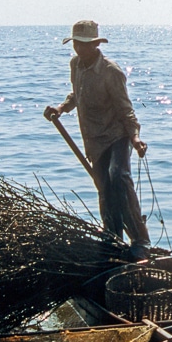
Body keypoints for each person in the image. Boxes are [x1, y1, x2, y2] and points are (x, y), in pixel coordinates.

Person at [43, 20, 151, 261]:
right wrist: (60, 108)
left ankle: (141, 241)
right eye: (76, 45)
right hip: (93, 139)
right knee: (104, 188)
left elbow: (126, 110)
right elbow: (77, 94)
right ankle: (113, 239)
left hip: (117, 136)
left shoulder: (111, 71)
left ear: (94, 44)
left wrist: (135, 138)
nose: (79, 50)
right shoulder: (76, 65)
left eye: (83, 45)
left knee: (119, 177)